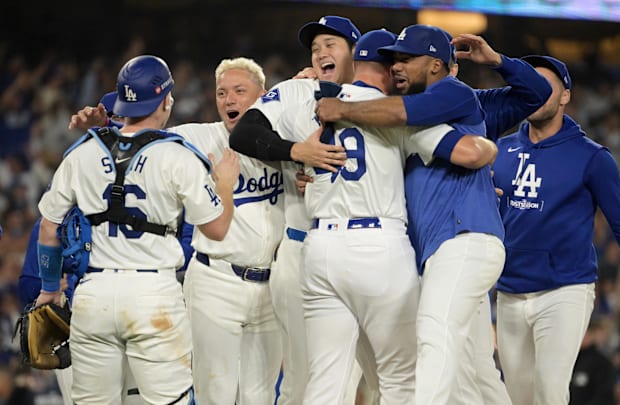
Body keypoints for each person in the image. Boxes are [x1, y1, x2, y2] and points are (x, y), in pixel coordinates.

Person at [315, 26, 552, 404]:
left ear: (438, 65)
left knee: (433, 332)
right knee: (471, 370)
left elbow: (538, 94)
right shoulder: (404, 117)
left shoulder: (454, 93)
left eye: (407, 58)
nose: (397, 66)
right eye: (393, 59)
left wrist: (496, 61)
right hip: (441, 250)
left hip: (463, 239)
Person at [292, 29, 496, 405]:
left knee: (327, 381)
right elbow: (470, 153)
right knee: (404, 377)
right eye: (395, 62)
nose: (400, 69)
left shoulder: (308, 98)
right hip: (377, 247)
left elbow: (252, 132)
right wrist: (489, 148)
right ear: (385, 71)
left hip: (318, 247)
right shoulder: (395, 114)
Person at [36, 54, 239, 404]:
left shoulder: (81, 152)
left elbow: (48, 228)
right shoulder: (179, 156)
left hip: (94, 294)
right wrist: (224, 186)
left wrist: (50, 289)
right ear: (166, 100)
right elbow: (217, 229)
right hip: (153, 293)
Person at [491, 54, 620, 405]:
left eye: (545, 87)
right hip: (510, 291)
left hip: (564, 290)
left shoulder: (591, 157)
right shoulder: (499, 150)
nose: (535, 92)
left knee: (549, 393)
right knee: (518, 398)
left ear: (566, 96)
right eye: (527, 85)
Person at [229, 16, 370, 405]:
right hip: (300, 247)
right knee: (300, 378)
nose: (321, 52)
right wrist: (296, 152)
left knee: (360, 378)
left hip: (361, 246)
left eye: (331, 44)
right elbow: (244, 134)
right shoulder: (296, 90)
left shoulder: (379, 98)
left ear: (358, 52)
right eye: (315, 48)